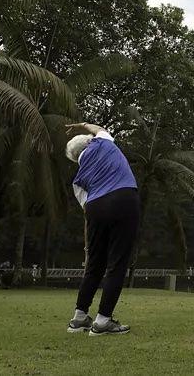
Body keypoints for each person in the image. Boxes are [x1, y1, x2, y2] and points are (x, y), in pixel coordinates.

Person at [64, 122, 139, 336]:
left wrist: (90, 246)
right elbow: (98, 130)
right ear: (89, 142)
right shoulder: (102, 143)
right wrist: (82, 125)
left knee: (95, 265)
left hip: (96, 208)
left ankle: (79, 318)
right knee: (117, 262)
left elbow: (87, 212)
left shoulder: (77, 181)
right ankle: (103, 320)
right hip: (124, 198)